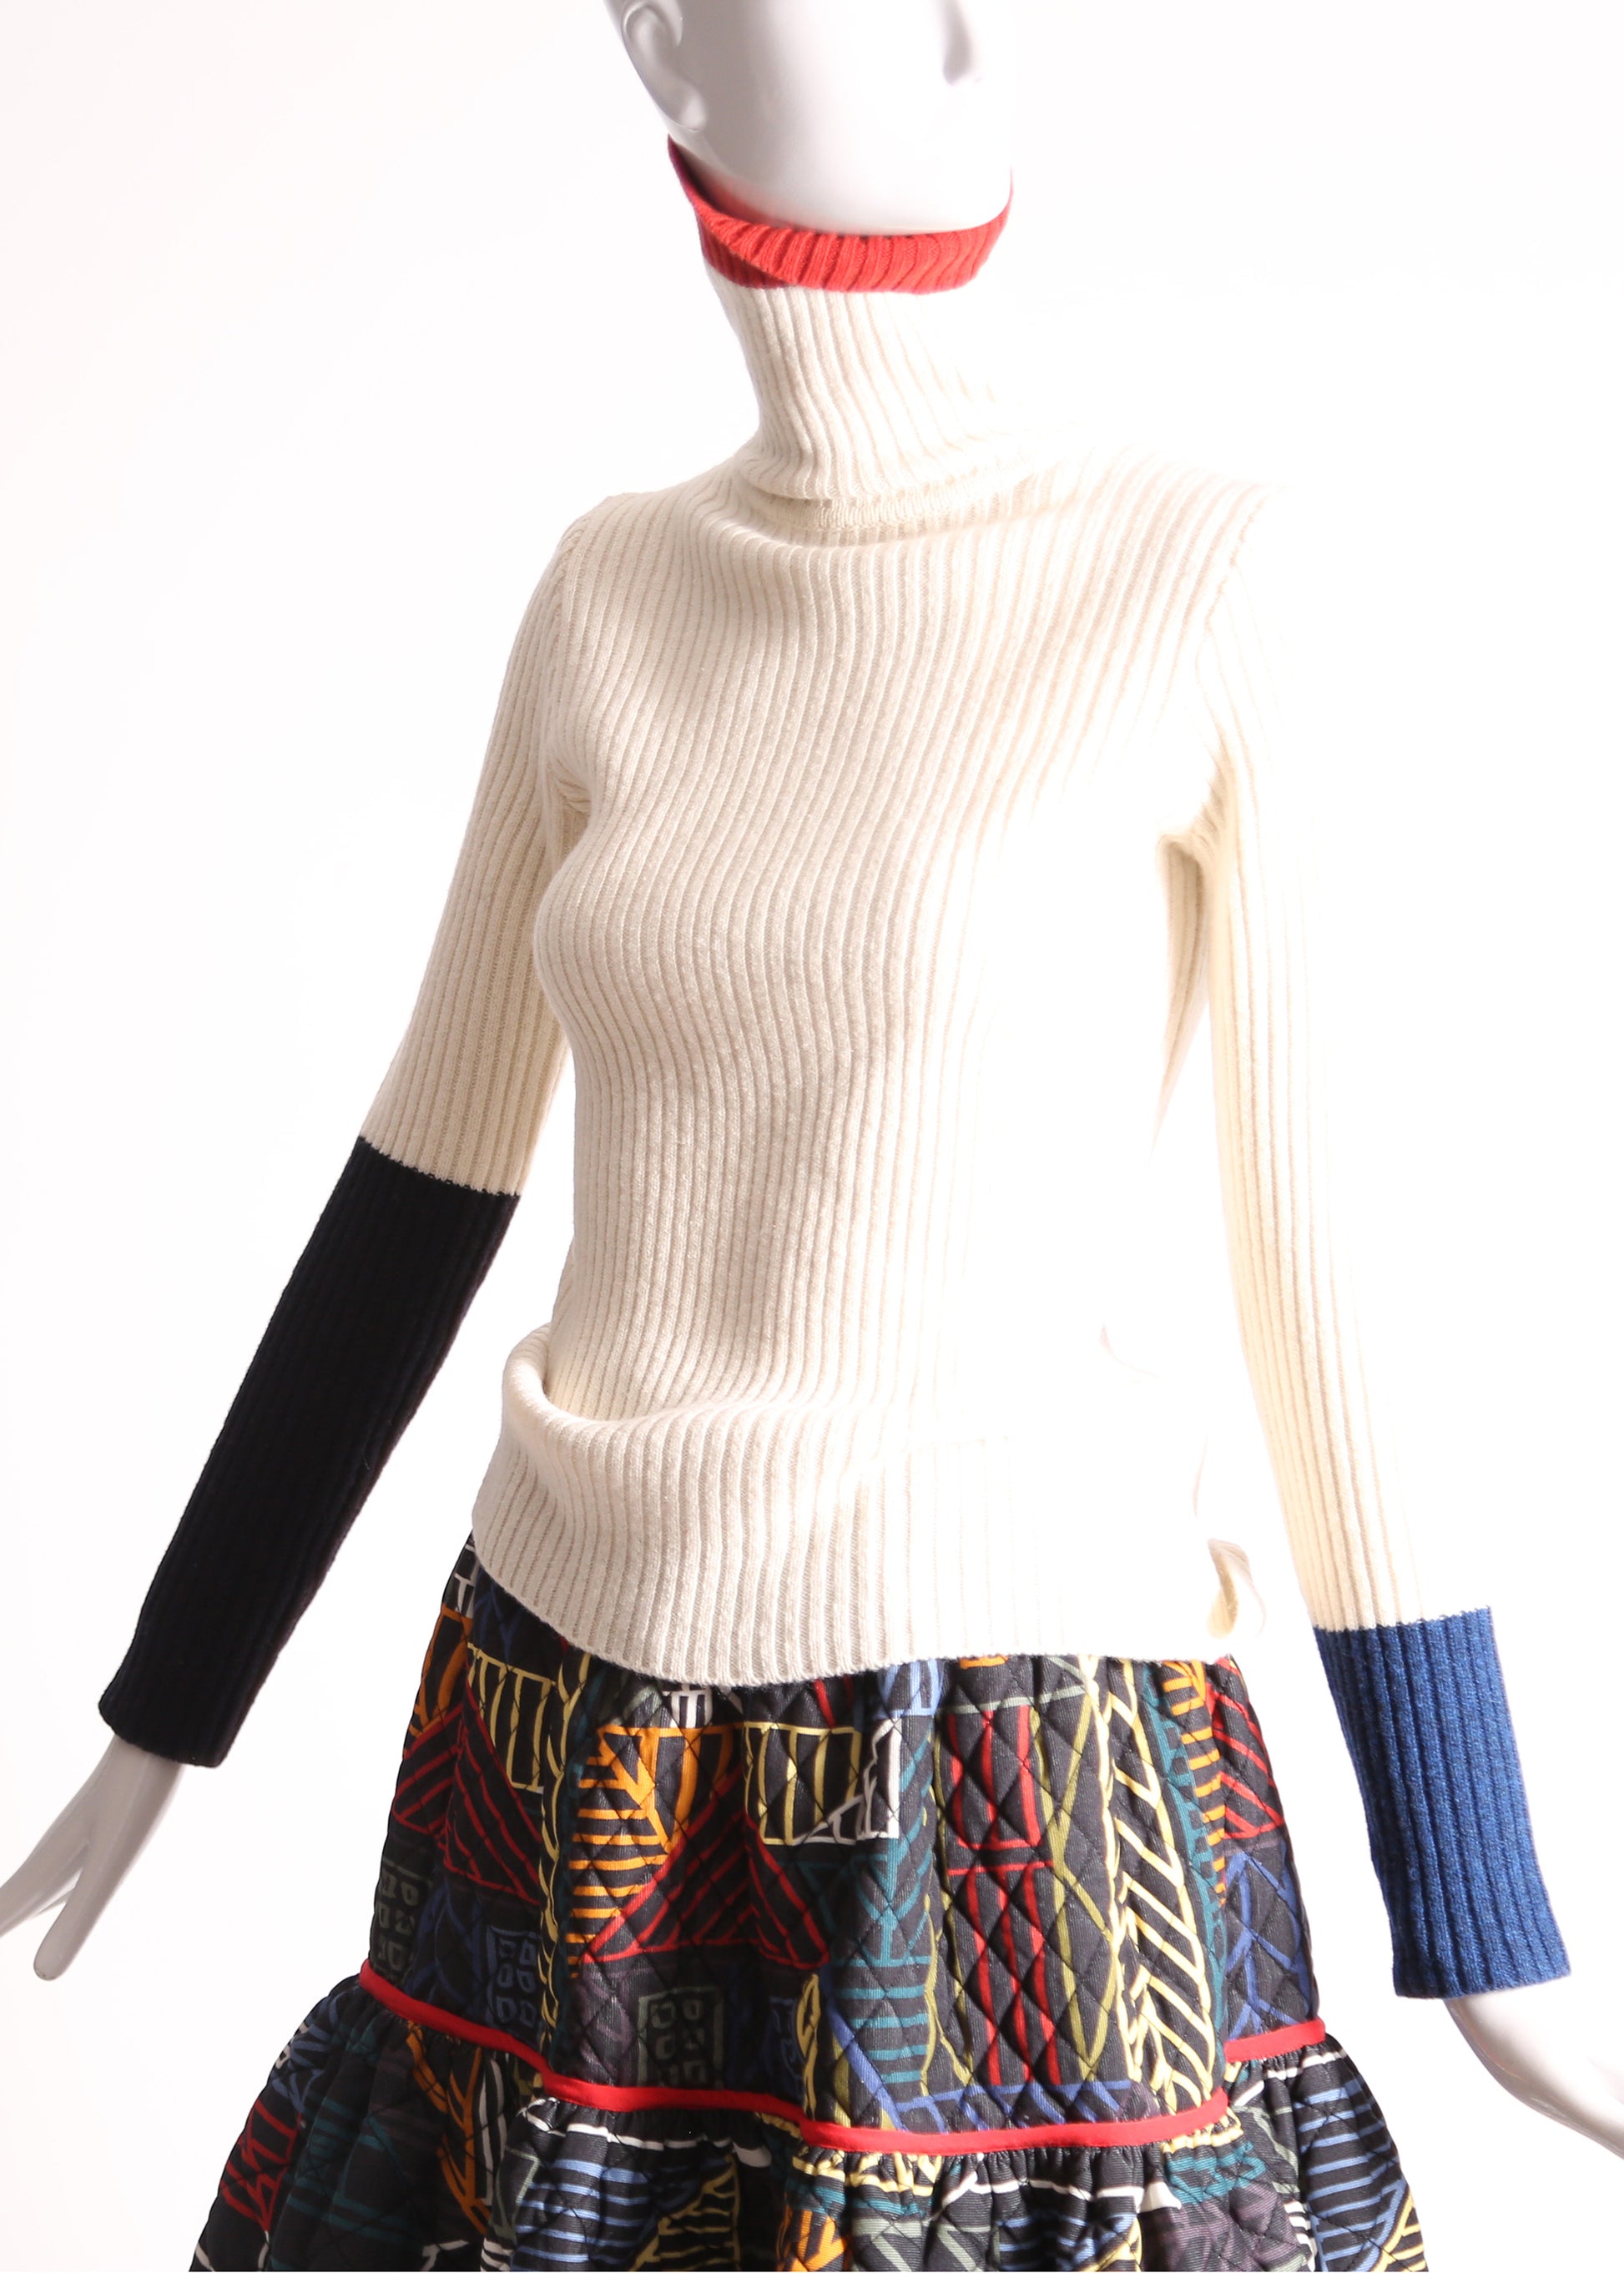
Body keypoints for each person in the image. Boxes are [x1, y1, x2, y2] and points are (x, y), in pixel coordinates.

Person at [3, 3, 1621, 2265]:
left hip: (1011, 1772)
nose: (959, 35)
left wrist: (1480, 1908)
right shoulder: (608, 593)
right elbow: (419, 1193)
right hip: (559, 1738)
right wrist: (171, 1703)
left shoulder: (1202, 579)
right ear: (662, 41)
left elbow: (1323, 1263)